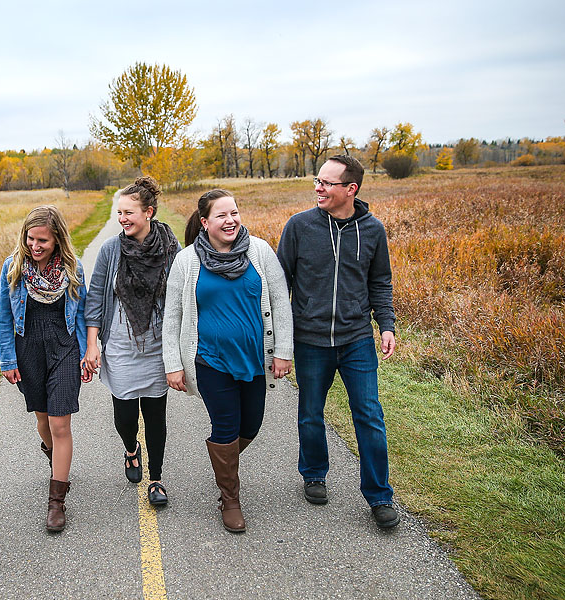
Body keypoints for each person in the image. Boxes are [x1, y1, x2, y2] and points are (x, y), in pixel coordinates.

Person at [276, 154, 399, 529]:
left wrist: (387, 324)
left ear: (351, 189)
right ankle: (314, 473)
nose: (319, 187)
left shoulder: (373, 230)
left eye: (328, 183)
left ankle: (379, 496)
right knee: (311, 412)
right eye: (318, 180)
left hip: (357, 339)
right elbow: (281, 286)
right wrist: (281, 340)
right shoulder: (299, 227)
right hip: (311, 341)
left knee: (370, 416)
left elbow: (380, 281)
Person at [163, 189, 293, 532]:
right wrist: (172, 363)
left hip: (253, 358)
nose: (230, 220)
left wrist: (283, 351)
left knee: (251, 424)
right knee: (225, 425)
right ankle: (230, 498)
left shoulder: (260, 252)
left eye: (234, 213)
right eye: (221, 215)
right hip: (210, 360)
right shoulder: (187, 261)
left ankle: (225, 465)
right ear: (205, 223)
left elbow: (281, 303)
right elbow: (172, 316)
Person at [81, 177, 180, 506]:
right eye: (118, 212)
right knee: (125, 417)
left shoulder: (169, 246)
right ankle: (130, 448)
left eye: (128, 212)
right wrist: (92, 344)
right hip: (121, 346)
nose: (122, 218)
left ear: (148, 212)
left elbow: (180, 295)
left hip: (156, 347)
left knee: (155, 417)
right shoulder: (111, 250)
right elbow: (95, 298)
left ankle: (157, 479)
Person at [0, 205, 88, 532]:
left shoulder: (72, 268)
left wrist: (87, 351)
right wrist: (7, 360)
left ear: (57, 240)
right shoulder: (13, 267)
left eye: (42, 241)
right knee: (42, 419)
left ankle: (56, 503)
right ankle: (55, 461)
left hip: (64, 348)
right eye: (30, 238)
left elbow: (83, 314)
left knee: (60, 423)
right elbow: (5, 318)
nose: (34, 246)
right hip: (28, 351)